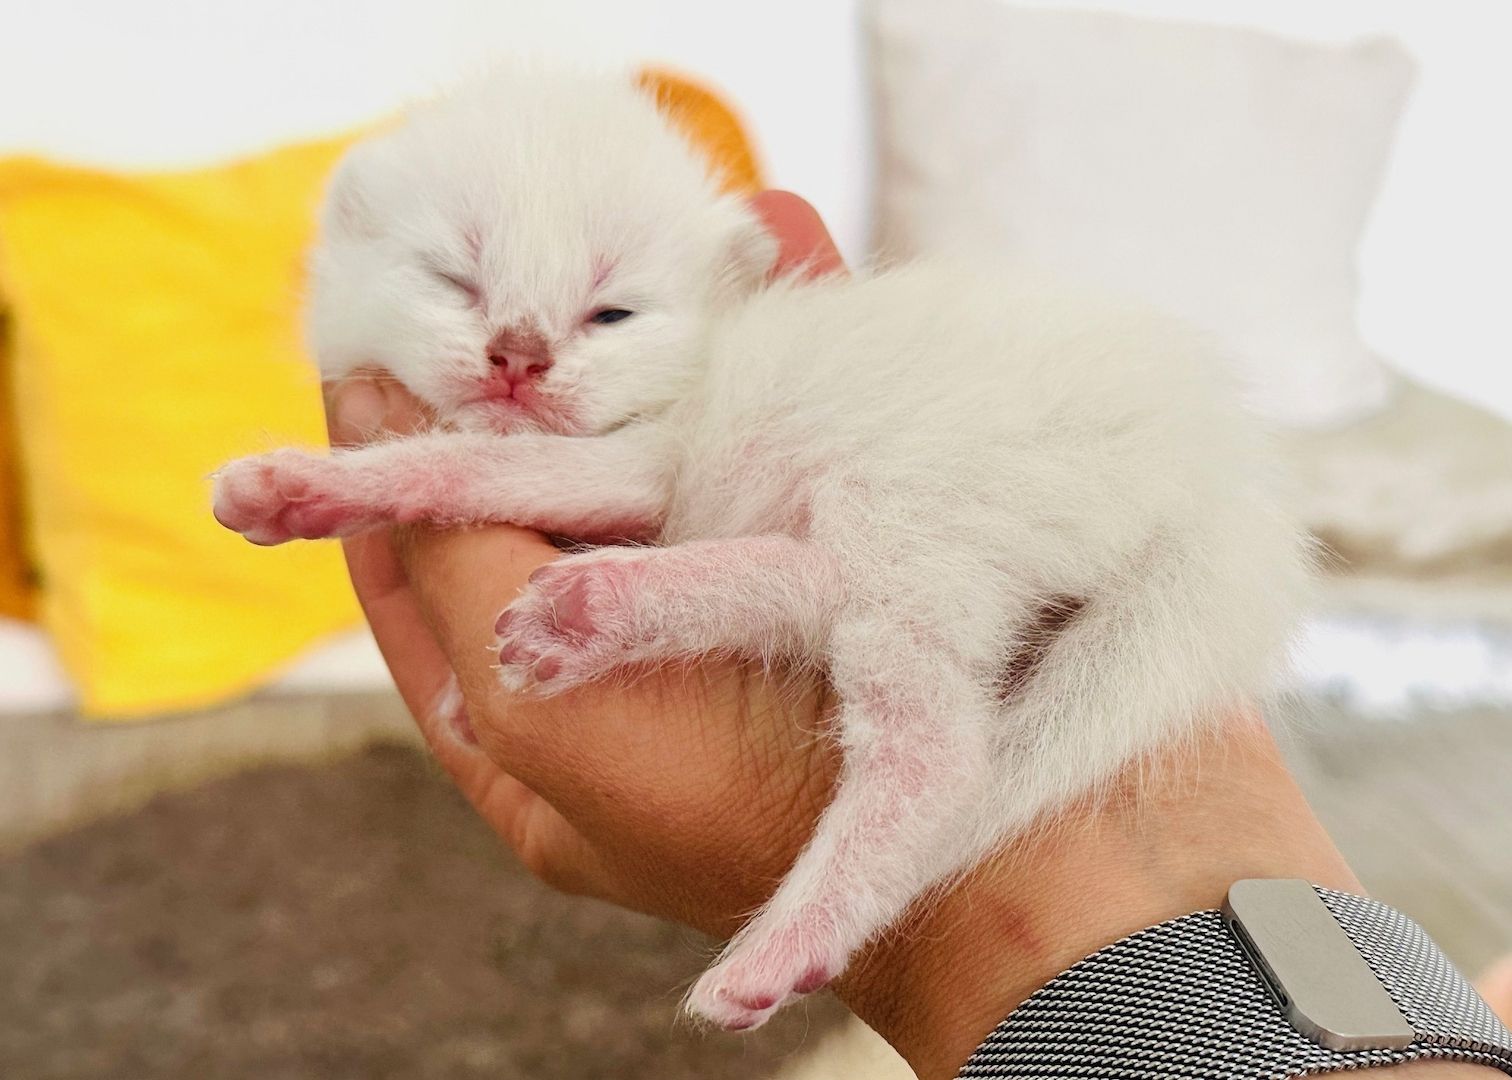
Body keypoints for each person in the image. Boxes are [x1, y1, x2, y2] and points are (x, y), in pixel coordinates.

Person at [324, 192, 1504, 1080]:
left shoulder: (780, 369)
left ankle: (853, 883)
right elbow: (782, 571)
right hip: (1069, 460)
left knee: (900, 640)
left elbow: (810, 571)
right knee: (865, 586)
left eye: (610, 313)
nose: (523, 358)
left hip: (1051, 445)